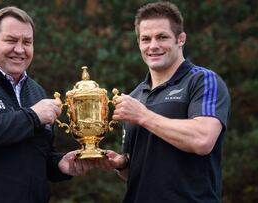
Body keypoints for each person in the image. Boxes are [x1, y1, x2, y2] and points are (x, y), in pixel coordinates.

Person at [0, 6, 93, 203]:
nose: (20, 49)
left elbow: (38, 156)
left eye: (27, 42)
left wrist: (60, 165)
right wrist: (32, 116)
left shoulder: (36, 91)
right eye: (11, 40)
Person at [96, 1, 231, 202]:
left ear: (181, 39)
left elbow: (202, 140)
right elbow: (135, 172)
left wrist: (143, 115)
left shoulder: (202, 80)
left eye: (162, 37)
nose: (153, 46)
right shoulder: (135, 96)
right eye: (145, 39)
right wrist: (122, 164)